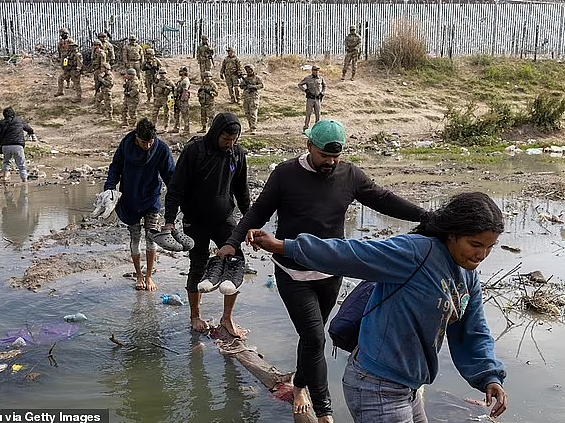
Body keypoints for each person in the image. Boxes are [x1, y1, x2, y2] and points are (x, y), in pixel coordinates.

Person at [216, 119, 428, 422]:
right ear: (309, 146)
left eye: (335, 157)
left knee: (311, 339)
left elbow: (382, 199)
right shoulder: (286, 174)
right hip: (293, 273)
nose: (330, 162)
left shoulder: (349, 174)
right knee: (315, 338)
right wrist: (233, 242)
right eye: (324, 156)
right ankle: (324, 410)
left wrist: (426, 216)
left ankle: (300, 383)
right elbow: (259, 210)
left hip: (330, 273)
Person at [247, 191, 509, 423]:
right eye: (475, 244)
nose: (481, 255)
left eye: (489, 247)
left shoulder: (468, 275)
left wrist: (489, 376)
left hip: (410, 386)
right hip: (376, 386)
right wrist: (284, 246)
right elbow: (349, 254)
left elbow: (473, 331)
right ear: (451, 234)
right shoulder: (417, 252)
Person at [164, 112, 250, 338]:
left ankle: (227, 318)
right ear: (215, 133)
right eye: (225, 140)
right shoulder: (195, 151)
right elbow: (176, 188)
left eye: (233, 140)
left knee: (235, 264)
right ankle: (195, 316)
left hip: (224, 219)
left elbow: (242, 191)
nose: (229, 144)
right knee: (198, 266)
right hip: (196, 221)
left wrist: (250, 222)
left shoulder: (237, 155)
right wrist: (169, 220)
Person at [104, 118, 175, 291]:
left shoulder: (161, 149)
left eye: (151, 142)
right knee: (135, 238)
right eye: (144, 142)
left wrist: (180, 196)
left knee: (151, 238)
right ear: (136, 137)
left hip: (151, 199)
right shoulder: (126, 145)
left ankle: (149, 276)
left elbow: (171, 176)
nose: (148, 146)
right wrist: (110, 189)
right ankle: (139, 275)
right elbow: (115, 167)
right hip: (129, 199)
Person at [0, 107, 35, 182]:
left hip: (5, 146)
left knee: (7, 162)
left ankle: (5, 177)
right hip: (18, 146)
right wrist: (31, 134)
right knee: (21, 165)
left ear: (4, 115)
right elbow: (30, 129)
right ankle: (24, 182)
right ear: (13, 114)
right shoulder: (19, 120)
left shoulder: (2, 122)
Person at [298, 65, 326, 133]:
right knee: (308, 114)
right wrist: (305, 90)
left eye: (317, 70)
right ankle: (306, 128)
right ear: (312, 71)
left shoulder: (320, 78)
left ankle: (317, 129)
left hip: (317, 99)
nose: (316, 72)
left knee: (318, 114)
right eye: (315, 70)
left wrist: (322, 92)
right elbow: (300, 84)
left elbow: (324, 85)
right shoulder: (308, 78)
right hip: (310, 99)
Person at [239, 64, 264, 134]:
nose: (248, 71)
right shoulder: (245, 78)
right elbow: (241, 86)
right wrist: (244, 85)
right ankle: (250, 127)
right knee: (247, 113)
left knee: (253, 112)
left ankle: (253, 128)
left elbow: (261, 85)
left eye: (249, 69)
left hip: (254, 97)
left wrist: (253, 86)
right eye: (247, 70)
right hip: (246, 97)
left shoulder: (257, 78)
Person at [169, 66, 191, 136]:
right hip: (177, 99)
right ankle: (176, 127)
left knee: (185, 115)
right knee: (176, 114)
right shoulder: (180, 80)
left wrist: (182, 100)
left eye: (181, 71)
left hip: (182, 100)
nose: (180, 72)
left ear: (185, 72)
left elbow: (185, 91)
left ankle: (186, 130)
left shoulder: (185, 81)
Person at [91, 40, 107, 104]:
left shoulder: (102, 54)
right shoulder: (95, 53)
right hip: (96, 70)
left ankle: (102, 98)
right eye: (94, 45)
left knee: (101, 84)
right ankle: (96, 96)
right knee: (96, 84)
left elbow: (103, 64)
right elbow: (93, 60)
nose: (95, 47)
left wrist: (102, 73)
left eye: (96, 45)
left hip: (100, 70)